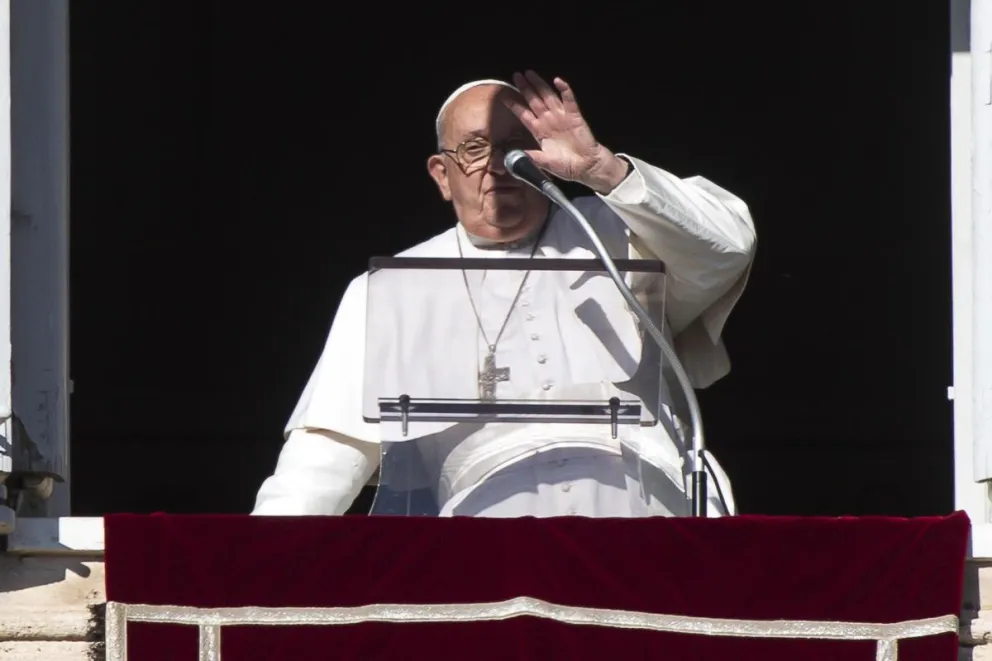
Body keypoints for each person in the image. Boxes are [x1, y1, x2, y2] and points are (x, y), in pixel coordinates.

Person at [252, 71, 756, 518]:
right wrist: (258, 565)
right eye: (474, 149)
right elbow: (327, 450)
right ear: (441, 175)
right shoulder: (391, 287)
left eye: (517, 147)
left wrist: (603, 171)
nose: (498, 165)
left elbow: (727, 246)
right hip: (485, 531)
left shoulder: (621, 229)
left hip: (644, 510)